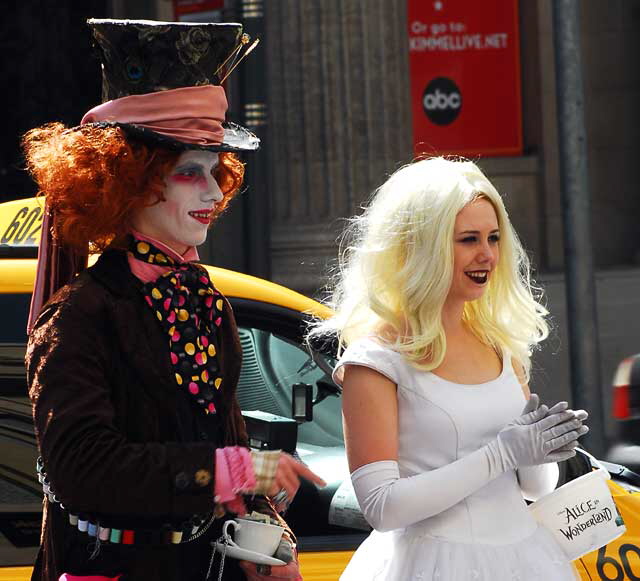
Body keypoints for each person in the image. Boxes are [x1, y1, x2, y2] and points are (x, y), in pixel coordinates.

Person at [23, 19, 324, 581]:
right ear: (126, 181)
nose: (213, 191)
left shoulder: (206, 298)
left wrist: (269, 536)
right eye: (190, 173)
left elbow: (223, 437)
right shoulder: (80, 315)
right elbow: (80, 469)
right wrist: (228, 469)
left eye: (215, 172)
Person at [308, 157, 588, 580]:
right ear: (422, 246)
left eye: (494, 238)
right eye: (468, 239)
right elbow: (382, 506)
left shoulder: (499, 342)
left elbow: (534, 487)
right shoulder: (376, 360)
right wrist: (502, 453)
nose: (487, 255)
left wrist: (541, 451)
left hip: (525, 559)